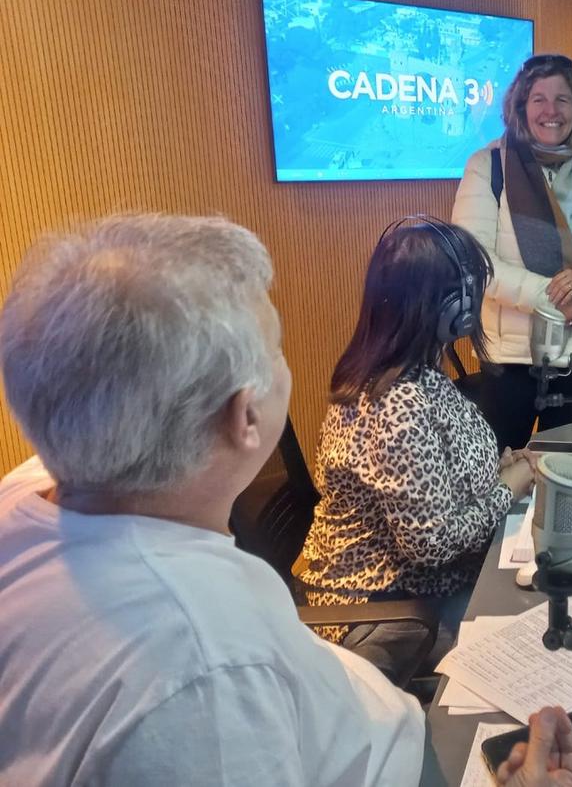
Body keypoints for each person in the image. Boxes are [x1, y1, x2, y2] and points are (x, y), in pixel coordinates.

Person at [0, 214, 424, 785]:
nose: (285, 363)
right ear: (245, 415)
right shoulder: (202, 669)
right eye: (276, 347)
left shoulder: (32, 489)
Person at [299, 217, 536, 669]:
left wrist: (495, 472)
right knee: (533, 639)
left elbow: (431, 478)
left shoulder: (417, 374)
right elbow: (431, 544)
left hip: (424, 587)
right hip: (391, 606)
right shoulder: (398, 404)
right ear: (452, 306)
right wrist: (509, 488)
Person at [453, 53, 572, 450]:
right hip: (512, 363)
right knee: (501, 471)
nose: (551, 111)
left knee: (566, 469)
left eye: (562, 99)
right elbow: (475, 262)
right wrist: (555, 299)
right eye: (538, 99)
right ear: (521, 106)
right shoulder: (487, 167)